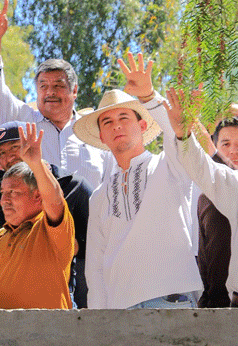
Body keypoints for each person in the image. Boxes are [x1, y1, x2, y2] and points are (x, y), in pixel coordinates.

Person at [76, 53, 201, 309]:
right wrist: (99, 321)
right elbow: (95, 268)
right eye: (107, 122)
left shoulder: (169, 165)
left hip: (171, 302)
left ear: (143, 126)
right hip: (120, 312)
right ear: (102, 135)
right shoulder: (99, 195)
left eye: (124, 118)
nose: (116, 126)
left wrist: (148, 96)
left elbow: (177, 135)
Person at [0, 119, 93, 308]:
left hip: (55, 322)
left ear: (38, 197)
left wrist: (35, 164)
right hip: (0, 331)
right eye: (2, 153)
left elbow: (55, 203)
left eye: (14, 148)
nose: (5, 200)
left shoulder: (66, 197)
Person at [0, 0, 109, 188]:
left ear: (74, 90)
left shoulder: (94, 133)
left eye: (58, 85)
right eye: (43, 86)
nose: (50, 92)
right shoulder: (22, 122)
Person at [163, 92, 238, 309]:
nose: (233, 150)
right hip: (232, 312)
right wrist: (183, 133)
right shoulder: (236, 186)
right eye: (225, 143)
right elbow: (202, 167)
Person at [195, 116, 238, 307]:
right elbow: (206, 260)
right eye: (226, 144)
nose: (233, 151)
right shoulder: (207, 197)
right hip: (220, 312)